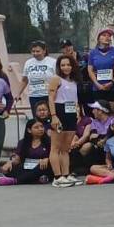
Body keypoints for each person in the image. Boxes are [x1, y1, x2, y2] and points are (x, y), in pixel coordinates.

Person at [46, 55, 82, 187]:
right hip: (59, 111)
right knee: (55, 147)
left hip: (71, 112)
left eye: (68, 65)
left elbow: (75, 98)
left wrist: (77, 111)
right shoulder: (56, 79)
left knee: (66, 148)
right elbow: (50, 97)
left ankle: (66, 175)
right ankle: (57, 177)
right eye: (63, 65)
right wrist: (54, 115)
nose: (66, 67)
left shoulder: (74, 81)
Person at [0, 119, 52, 186]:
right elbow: (17, 159)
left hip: (42, 167)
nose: (40, 129)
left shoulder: (49, 141)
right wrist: (10, 162)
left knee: (43, 167)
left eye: (41, 127)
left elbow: (55, 156)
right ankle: (36, 179)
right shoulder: (23, 142)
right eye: (36, 127)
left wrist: (47, 159)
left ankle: (15, 181)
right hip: (27, 167)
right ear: (29, 130)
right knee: (10, 169)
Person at [86, 29, 114, 107]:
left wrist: (111, 83)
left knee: (113, 110)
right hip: (97, 88)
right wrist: (97, 84)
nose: (107, 37)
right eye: (104, 35)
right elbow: (90, 70)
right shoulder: (93, 53)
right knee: (100, 112)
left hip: (112, 88)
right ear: (99, 39)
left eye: (109, 36)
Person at [20, 41, 57, 120]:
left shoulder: (53, 62)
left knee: (49, 119)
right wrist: (17, 94)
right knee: (37, 120)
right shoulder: (28, 63)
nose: (35, 53)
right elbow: (24, 80)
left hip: (48, 95)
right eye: (33, 51)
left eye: (38, 51)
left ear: (44, 51)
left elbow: (58, 79)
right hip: (34, 96)